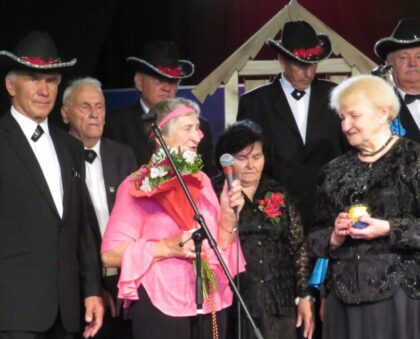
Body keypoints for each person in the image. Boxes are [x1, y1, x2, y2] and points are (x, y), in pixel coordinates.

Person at [101, 97, 245, 339]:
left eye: (198, 128)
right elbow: (110, 253)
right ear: (161, 136)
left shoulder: (203, 182)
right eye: (188, 128)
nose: (198, 136)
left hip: (208, 299)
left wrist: (227, 215)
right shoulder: (136, 185)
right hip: (161, 302)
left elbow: (220, 245)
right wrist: (167, 247)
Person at [0, 31, 104, 339]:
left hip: (64, 307)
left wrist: (91, 289)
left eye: (51, 80)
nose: (44, 89)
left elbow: (80, 227)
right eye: (33, 79)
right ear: (10, 85)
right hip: (13, 308)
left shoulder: (70, 147)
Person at [308, 74, 420, 339]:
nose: (346, 125)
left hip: (398, 296)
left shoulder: (413, 160)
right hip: (343, 298)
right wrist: (334, 235)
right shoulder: (334, 170)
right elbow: (313, 235)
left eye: (354, 115)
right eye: (342, 117)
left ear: (384, 113)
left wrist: (388, 228)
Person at [212, 120, 315, 339]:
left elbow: (298, 247)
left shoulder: (276, 192)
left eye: (257, 156)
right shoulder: (217, 193)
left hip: (277, 298)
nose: (251, 165)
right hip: (236, 301)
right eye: (242, 158)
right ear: (227, 160)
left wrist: (304, 294)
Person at [61, 77, 138, 339]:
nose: (95, 114)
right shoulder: (57, 156)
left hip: (123, 282)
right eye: (85, 106)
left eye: (100, 106)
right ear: (65, 113)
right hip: (77, 287)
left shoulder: (123, 154)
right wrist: (92, 285)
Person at [237, 21, 347, 231]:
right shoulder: (254, 103)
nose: (308, 73)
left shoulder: (336, 95)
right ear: (282, 60)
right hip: (275, 216)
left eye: (313, 65)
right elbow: (244, 161)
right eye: (300, 65)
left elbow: (349, 152)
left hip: (331, 214)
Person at [104, 40, 216, 175]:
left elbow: (210, 176)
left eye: (173, 81)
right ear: (139, 81)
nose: (167, 88)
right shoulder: (115, 125)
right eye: (159, 80)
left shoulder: (200, 127)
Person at [374, 19, 420, 142]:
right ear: (388, 65)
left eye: (419, 57)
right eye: (403, 57)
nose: (413, 63)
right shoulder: (376, 108)